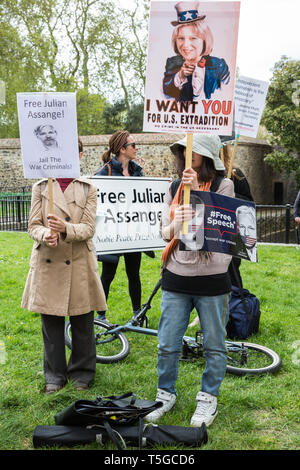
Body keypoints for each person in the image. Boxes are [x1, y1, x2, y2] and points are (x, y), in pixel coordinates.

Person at [145, 134, 234, 427]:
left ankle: (208, 398)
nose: (186, 152)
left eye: (192, 149)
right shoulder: (173, 186)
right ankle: (165, 394)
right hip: (177, 276)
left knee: (214, 344)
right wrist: (175, 221)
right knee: (167, 343)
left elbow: (223, 230)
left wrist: (197, 195)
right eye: (183, 149)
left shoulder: (225, 186)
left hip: (212, 279)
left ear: (206, 155)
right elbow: (164, 232)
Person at [21, 138, 107, 394]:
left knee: (83, 322)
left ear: (79, 156)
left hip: (79, 260)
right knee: (51, 323)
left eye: (71, 153)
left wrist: (65, 229)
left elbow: (89, 228)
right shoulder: (40, 186)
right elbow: (32, 225)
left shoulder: (88, 188)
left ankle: (82, 374)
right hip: (49, 260)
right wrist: (44, 234)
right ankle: (55, 376)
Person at [94, 130, 144, 321]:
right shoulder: (104, 172)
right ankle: (100, 315)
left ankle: (137, 313)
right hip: (111, 232)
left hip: (132, 231)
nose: (136, 148)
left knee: (134, 274)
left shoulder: (137, 171)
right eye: (133, 145)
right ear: (122, 149)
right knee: (108, 275)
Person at [163, 1, 230, 102]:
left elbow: (227, 94)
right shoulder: (172, 63)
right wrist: (181, 75)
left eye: (193, 38)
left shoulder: (219, 65)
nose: (186, 45)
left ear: (205, 39)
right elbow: (167, 92)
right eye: (181, 38)